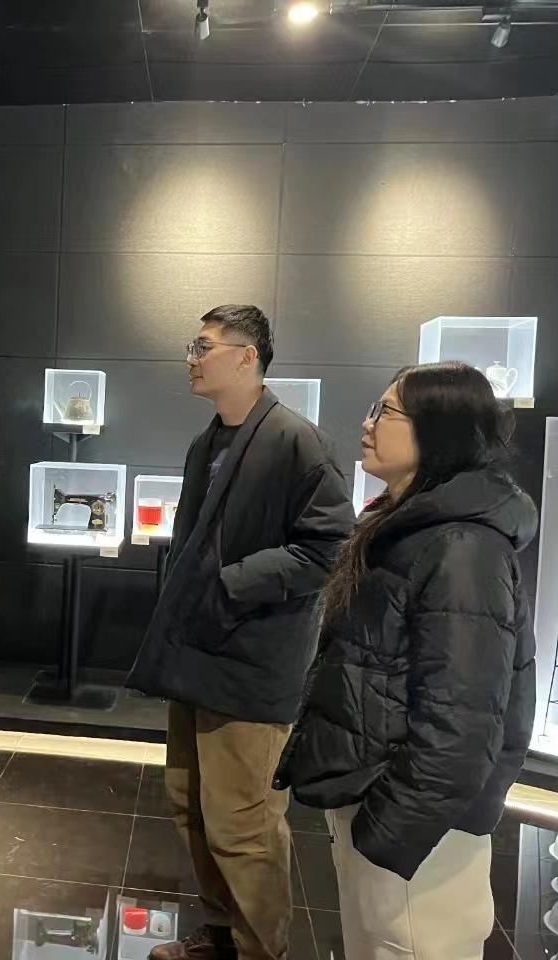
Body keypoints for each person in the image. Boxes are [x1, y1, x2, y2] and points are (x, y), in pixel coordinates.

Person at [276, 361, 538, 960]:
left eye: (385, 411)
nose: (367, 424)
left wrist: (390, 829)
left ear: (438, 428)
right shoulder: (408, 527)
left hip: (419, 835)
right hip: (380, 801)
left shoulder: (462, 547)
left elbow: (463, 723)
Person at [129, 305, 355, 960]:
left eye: (204, 346)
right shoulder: (207, 443)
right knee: (191, 805)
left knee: (243, 822)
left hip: (253, 660)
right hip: (198, 650)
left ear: (248, 356)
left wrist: (231, 583)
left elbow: (330, 547)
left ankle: (261, 950)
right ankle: (222, 934)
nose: (192, 358)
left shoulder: (296, 441)